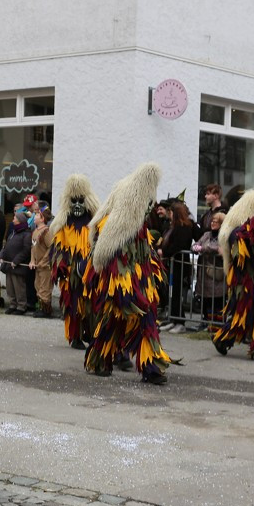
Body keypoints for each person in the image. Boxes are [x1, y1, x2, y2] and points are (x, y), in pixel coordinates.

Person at [84, 162, 172, 384]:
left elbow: (144, 246)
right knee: (113, 316)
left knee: (146, 315)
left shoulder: (140, 221)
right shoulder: (119, 218)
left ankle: (151, 367)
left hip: (140, 273)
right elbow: (104, 240)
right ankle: (100, 359)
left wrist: (154, 269)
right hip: (118, 274)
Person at [211, 187, 254, 361]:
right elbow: (244, 246)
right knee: (241, 316)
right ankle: (222, 339)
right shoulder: (236, 233)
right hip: (245, 282)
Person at [49, 174, 100, 349]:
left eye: (81, 201)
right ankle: (75, 336)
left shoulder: (93, 223)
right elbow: (56, 248)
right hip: (71, 273)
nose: (77, 205)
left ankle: (92, 334)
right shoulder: (62, 224)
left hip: (90, 271)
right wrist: (60, 265)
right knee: (73, 306)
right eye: (74, 201)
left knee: (92, 304)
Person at [160, 200, 199, 333]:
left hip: (180, 263)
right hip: (174, 263)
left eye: (170, 212)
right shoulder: (174, 227)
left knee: (177, 293)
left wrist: (164, 252)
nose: (168, 214)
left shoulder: (184, 227)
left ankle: (179, 321)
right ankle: (173, 319)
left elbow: (179, 246)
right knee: (173, 293)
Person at [192, 211, 226, 328]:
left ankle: (217, 325)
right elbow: (196, 244)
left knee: (217, 301)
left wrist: (203, 248)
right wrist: (196, 247)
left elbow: (218, 248)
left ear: (221, 224)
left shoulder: (224, 236)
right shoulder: (207, 234)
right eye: (212, 221)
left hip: (217, 273)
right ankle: (206, 321)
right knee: (205, 299)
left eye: (215, 222)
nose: (212, 223)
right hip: (204, 273)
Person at [0, 206, 32, 315]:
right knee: (10, 287)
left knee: (19, 288)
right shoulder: (13, 233)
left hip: (18, 266)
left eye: (15, 218)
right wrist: (1, 256)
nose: (13, 220)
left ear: (20, 221)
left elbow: (26, 250)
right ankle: (13, 304)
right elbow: (6, 246)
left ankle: (21, 306)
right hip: (9, 265)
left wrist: (16, 261)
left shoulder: (26, 234)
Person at [29, 206, 54, 318]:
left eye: (37, 215)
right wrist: (32, 260)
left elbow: (51, 248)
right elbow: (33, 248)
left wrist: (44, 261)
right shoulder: (35, 231)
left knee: (45, 287)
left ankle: (46, 309)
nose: (35, 216)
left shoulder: (46, 232)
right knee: (37, 285)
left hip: (45, 266)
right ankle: (40, 307)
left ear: (42, 218)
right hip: (37, 265)